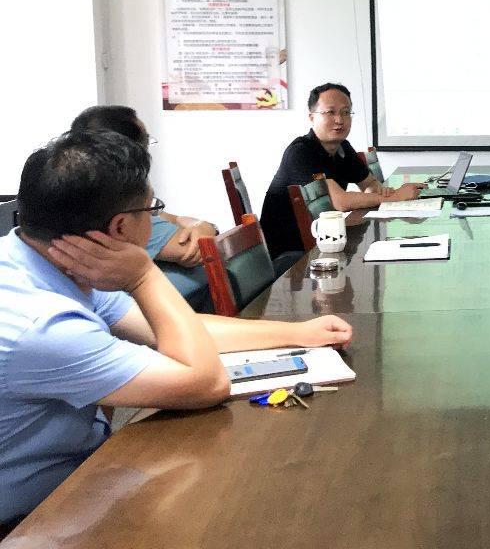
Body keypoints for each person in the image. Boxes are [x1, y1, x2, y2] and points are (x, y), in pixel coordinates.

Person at [0, 130, 353, 526]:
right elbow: (207, 382)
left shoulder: (42, 259)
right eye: (152, 210)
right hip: (37, 518)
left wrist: (298, 334)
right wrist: (143, 276)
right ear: (120, 228)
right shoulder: (42, 325)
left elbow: (174, 329)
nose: (156, 220)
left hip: (86, 473)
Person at [70, 105, 217, 313]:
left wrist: (202, 226)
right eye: (146, 142)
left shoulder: (100, 191)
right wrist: (206, 229)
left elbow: (171, 217)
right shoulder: (113, 205)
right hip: (170, 315)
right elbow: (196, 249)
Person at [258, 83, 422, 258]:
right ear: (312, 117)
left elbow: (370, 183)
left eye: (345, 112)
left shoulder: (343, 148)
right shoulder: (300, 152)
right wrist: (395, 197)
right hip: (292, 255)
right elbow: (339, 201)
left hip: (326, 242)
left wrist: (378, 195)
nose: (339, 120)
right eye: (330, 112)